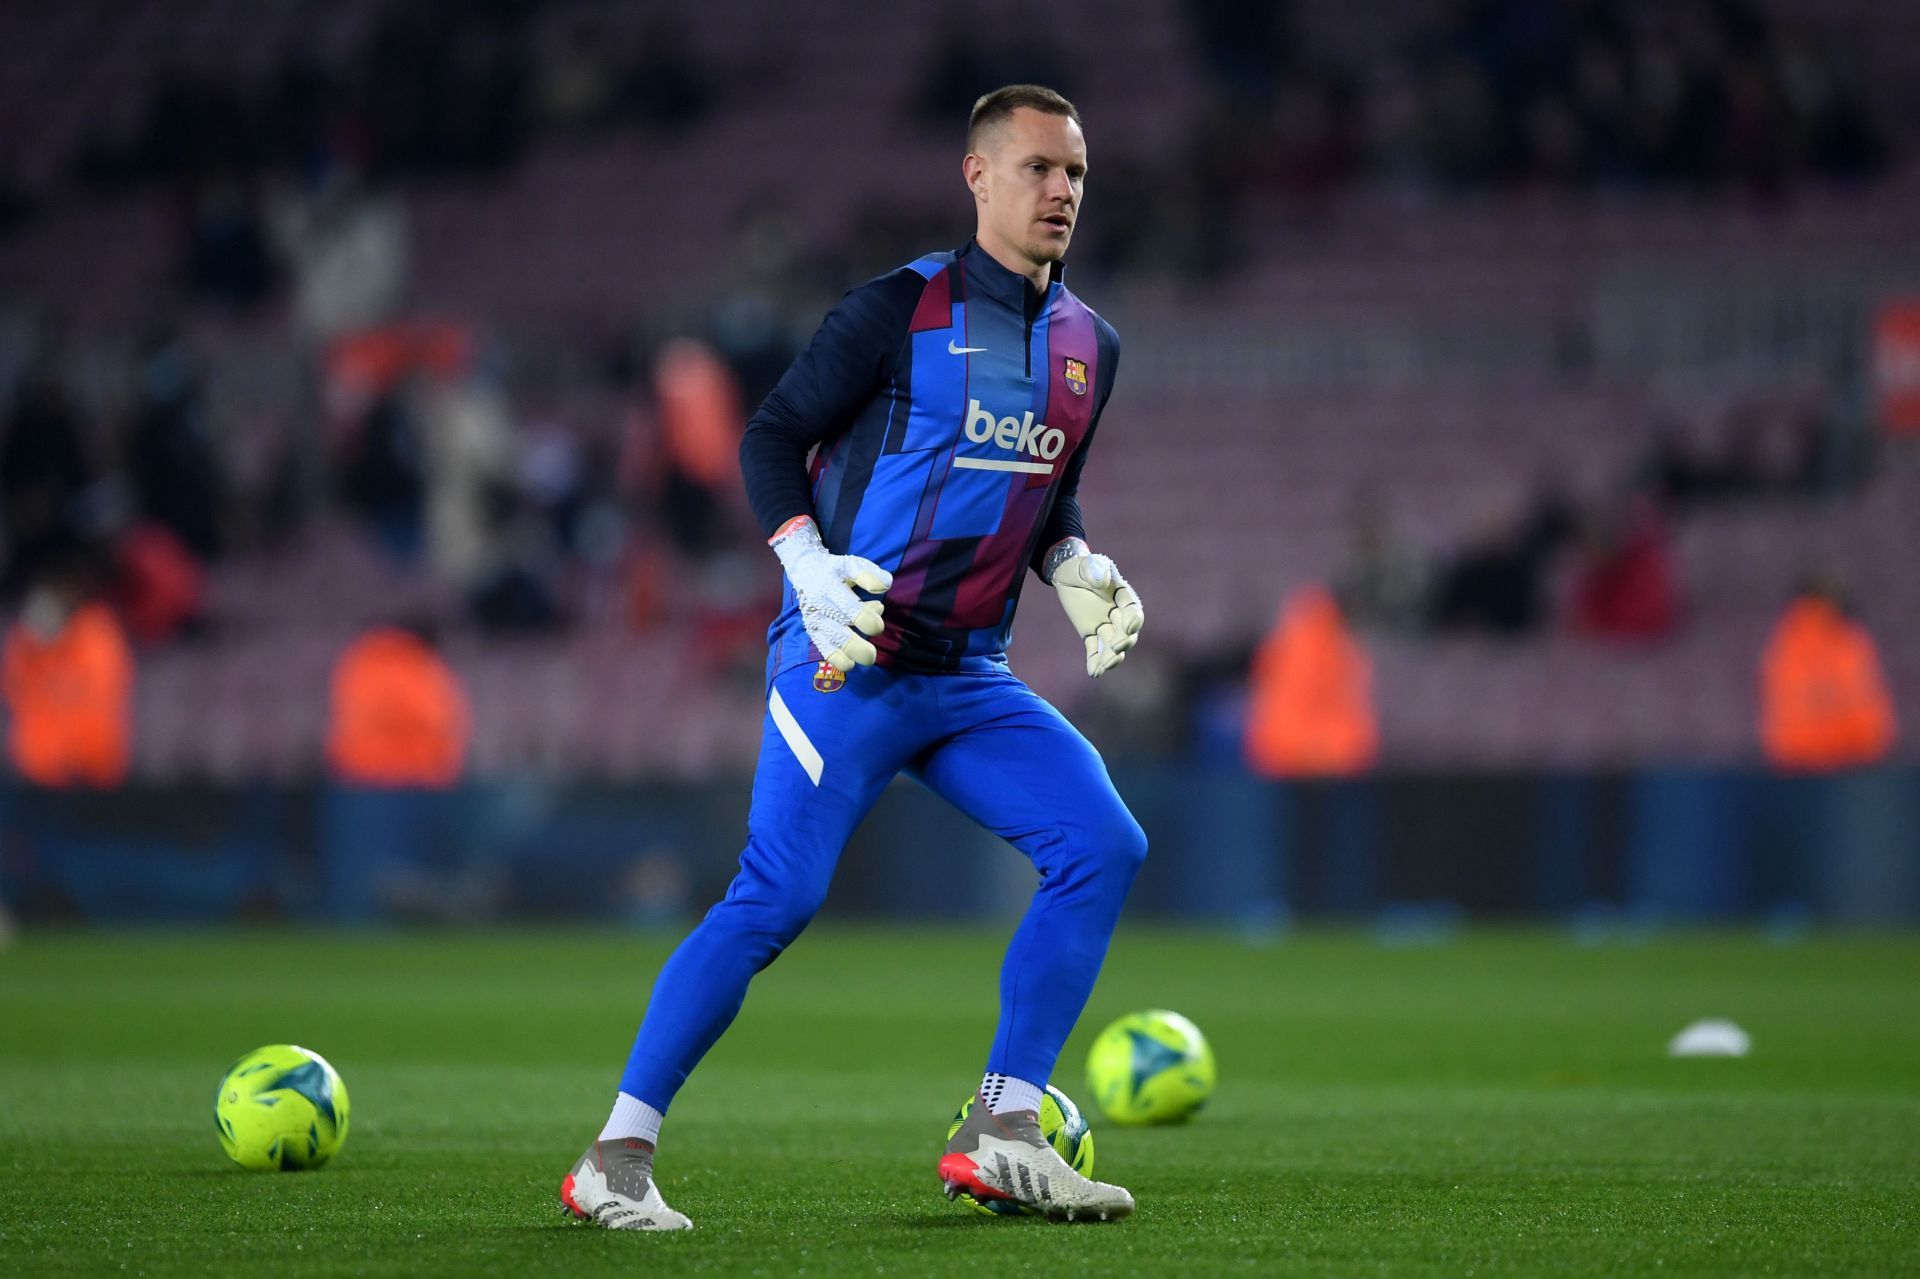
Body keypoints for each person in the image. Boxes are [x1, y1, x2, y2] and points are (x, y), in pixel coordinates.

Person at [561, 85, 1146, 1230]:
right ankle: (615, 1159)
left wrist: (1074, 558)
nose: (1062, 190)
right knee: (777, 895)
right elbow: (772, 435)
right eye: (1037, 168)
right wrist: (804, 563)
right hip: (848, 659)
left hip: (971, 676)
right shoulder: (898, 309)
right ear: (977, 176)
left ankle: (1006, 1127)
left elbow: (1052, 487)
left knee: (1103, 842)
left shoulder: (1093, 345)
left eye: (1075, 171)